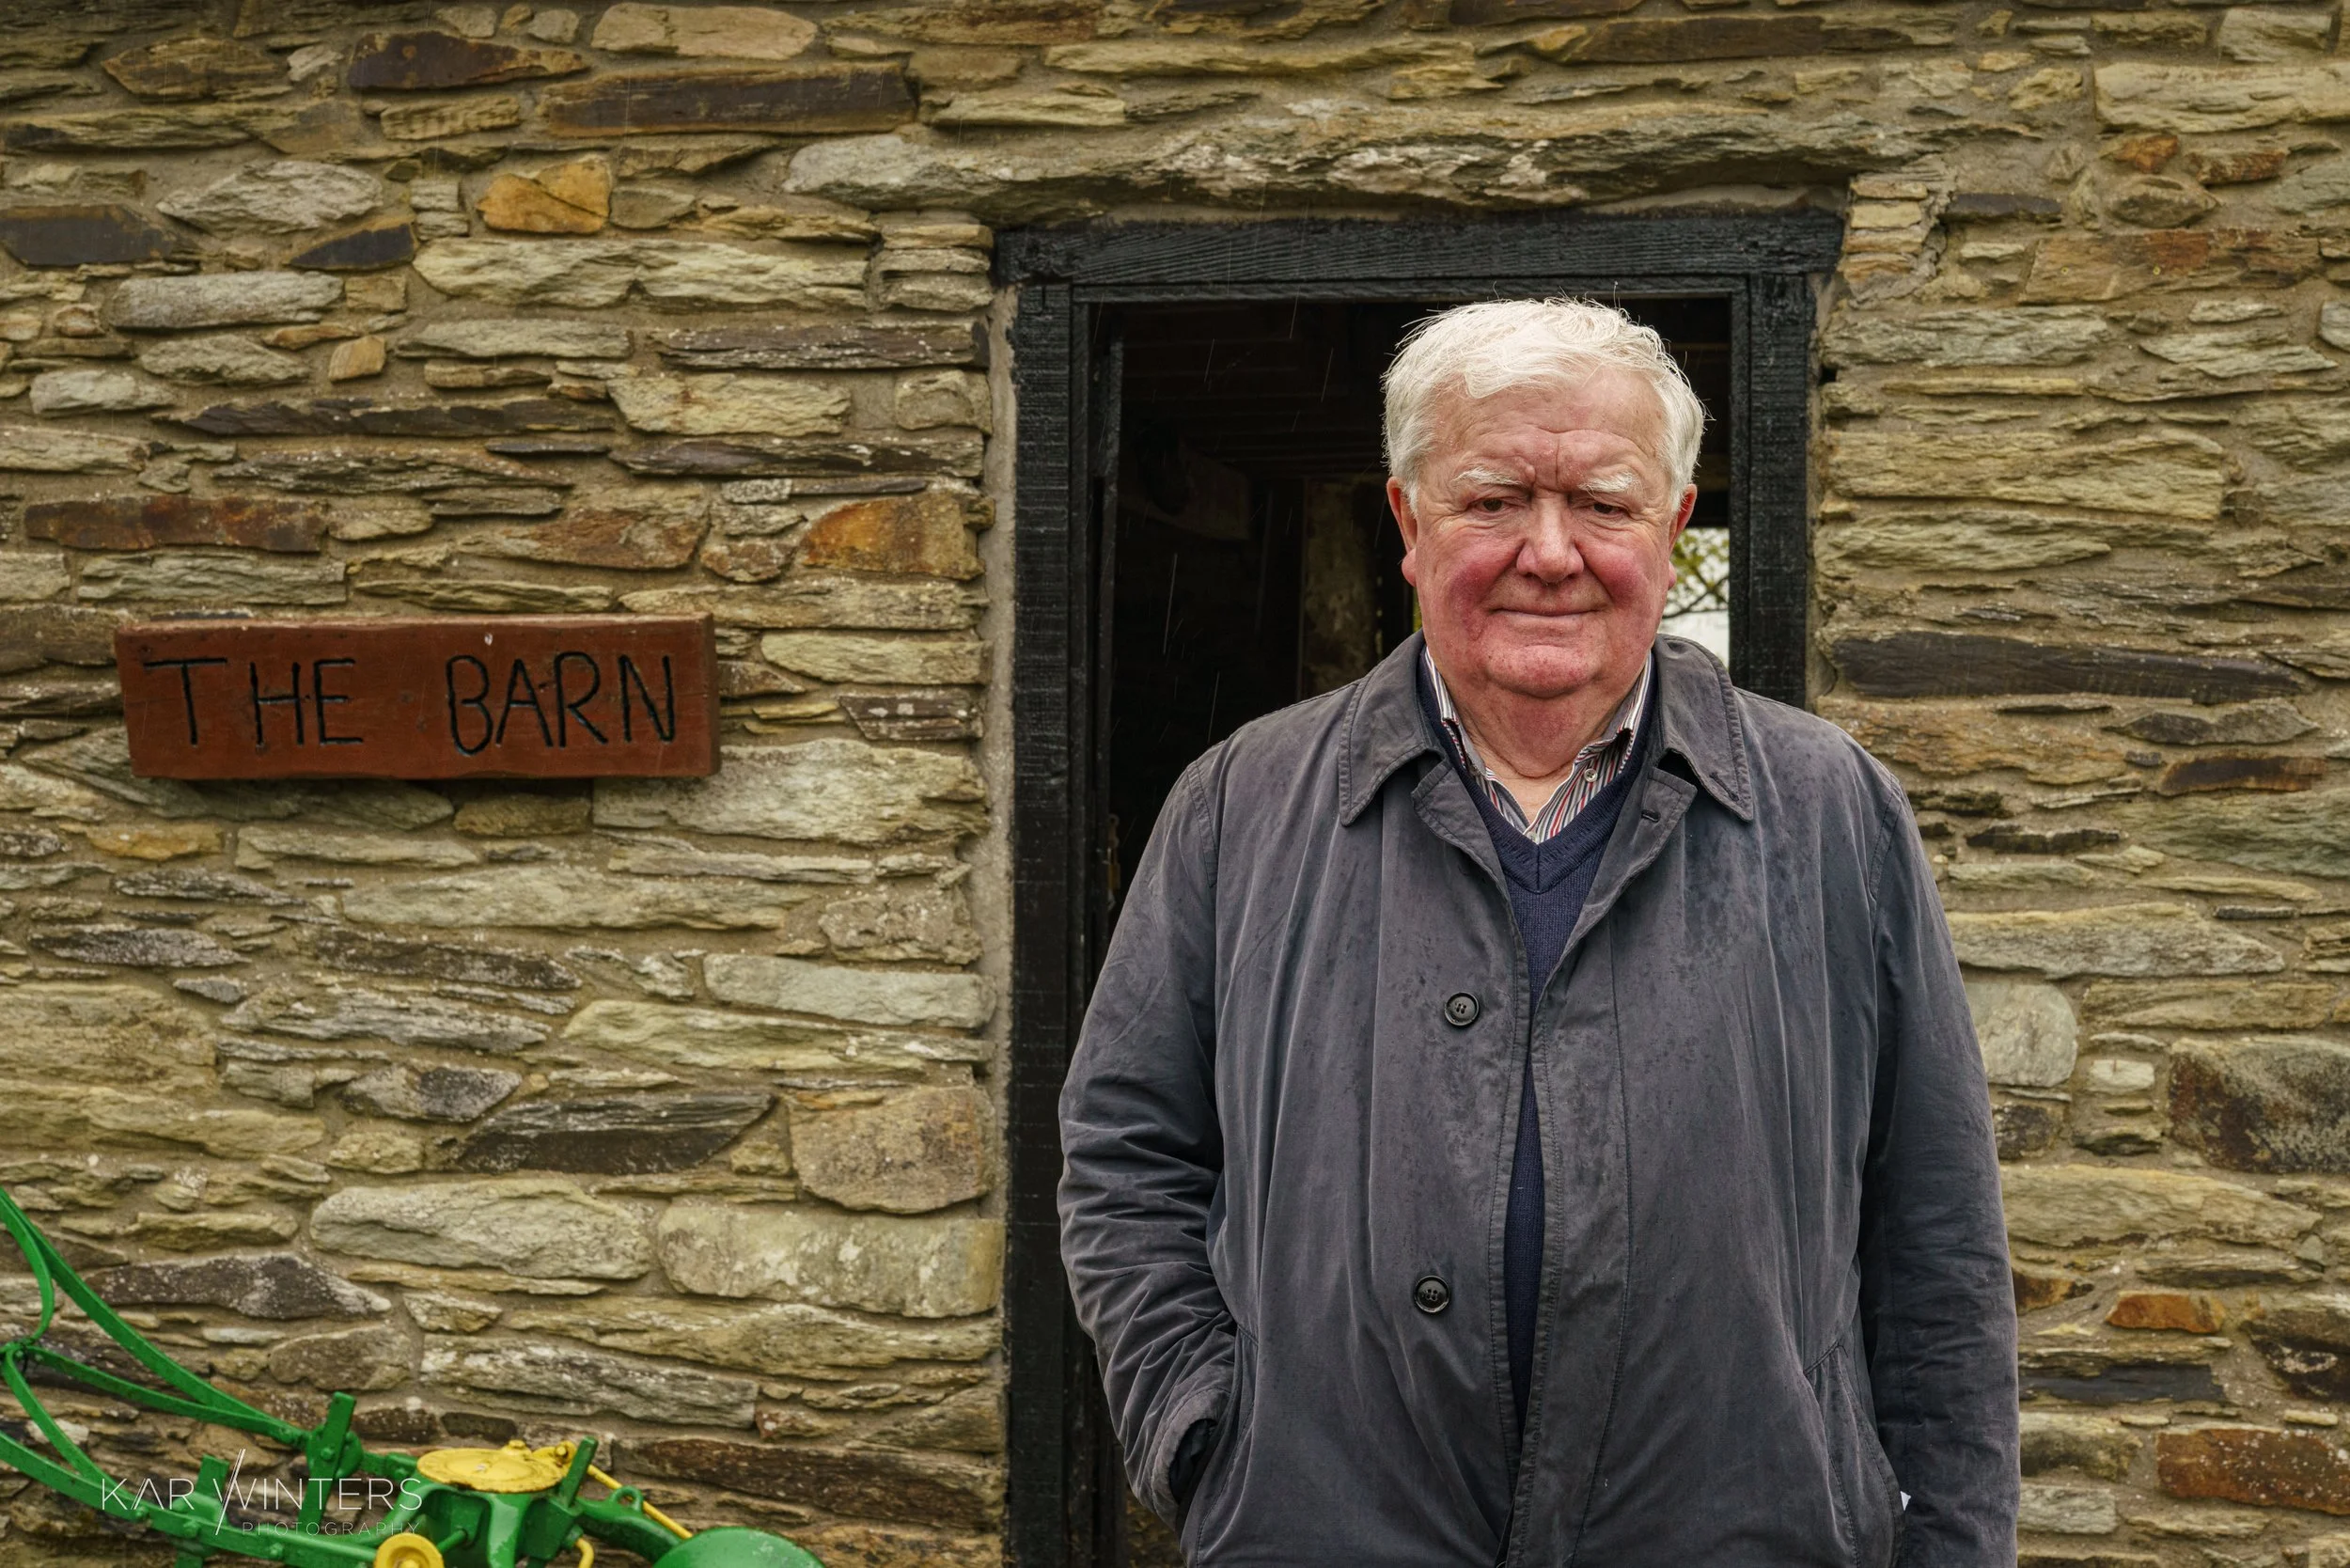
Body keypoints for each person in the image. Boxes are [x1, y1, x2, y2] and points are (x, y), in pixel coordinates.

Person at [1057, 298, 2018, 1566]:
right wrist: (1205, 1435)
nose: (1550, 551)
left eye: (1605, 505)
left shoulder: (1833, 809)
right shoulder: (1240, 804)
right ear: (1408, 522)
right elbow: (1125, 1154)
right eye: (1493, 499)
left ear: (1673, 531)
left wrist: (1952, 1544)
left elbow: (1937, 1236)